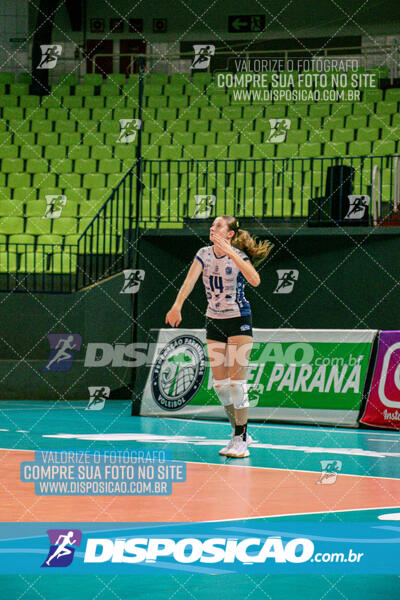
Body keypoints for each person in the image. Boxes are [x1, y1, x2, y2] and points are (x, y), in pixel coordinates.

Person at [165, 215, 273, 458]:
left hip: (239, 320)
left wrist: (232, 253)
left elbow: (255, 280)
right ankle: (237, 433)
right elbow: (189, 281)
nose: (212, 228)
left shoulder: (239, 256)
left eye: (218, 226)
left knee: (237, 384)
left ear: (230, 234)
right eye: (212, 225)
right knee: (221, 386)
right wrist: (177, 305)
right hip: (214, 321)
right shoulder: (203, 253)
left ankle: (242, 440)